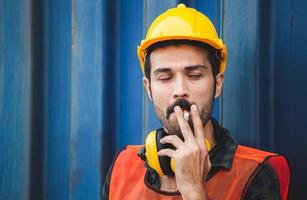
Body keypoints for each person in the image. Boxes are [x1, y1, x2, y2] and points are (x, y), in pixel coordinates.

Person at [102, 4, 290, 200]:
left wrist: (194, 192)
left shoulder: (257, 172)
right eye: (165, 78)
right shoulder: (121, 169)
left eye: (194, 75)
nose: (180, 90)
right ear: (148, 88)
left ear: (217, 85)